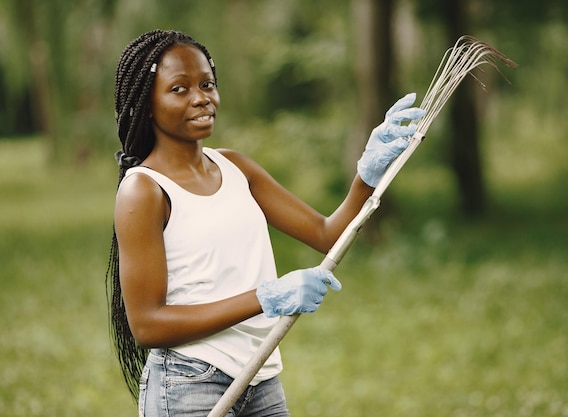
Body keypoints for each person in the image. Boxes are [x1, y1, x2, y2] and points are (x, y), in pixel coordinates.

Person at [106, 29, 424, 417]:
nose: (201, 97)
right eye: (179, 89)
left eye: (207, 84)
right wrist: (266, 297)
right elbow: (148, 326)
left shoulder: (236, 167)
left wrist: (367, 173)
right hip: (190, 385)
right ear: (148, 104)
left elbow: (328, 235)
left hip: (260, 377)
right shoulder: (143, 191)